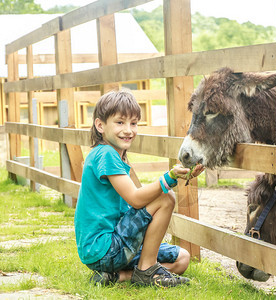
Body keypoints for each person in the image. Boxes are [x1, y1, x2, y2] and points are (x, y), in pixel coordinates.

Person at [74, 89, 204, 287]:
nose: (128, 130)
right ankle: (146, 270)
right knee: (166, 198)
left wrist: (180, 175)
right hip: (106, 248)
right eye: (120, 122)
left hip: (106, 249)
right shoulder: (106, 155)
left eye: (133, 123)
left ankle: (120, 276)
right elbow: (136, 199)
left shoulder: (113, 155)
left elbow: (139, 202)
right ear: (100, 125)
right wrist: (169, 177)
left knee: (182, 258)